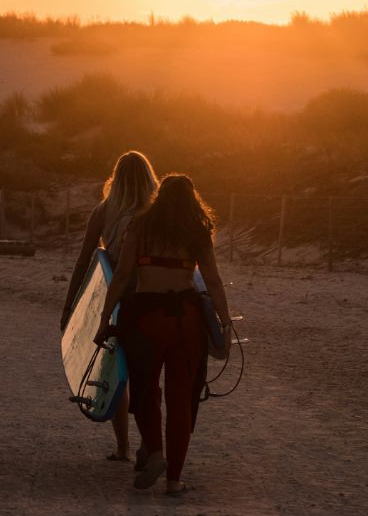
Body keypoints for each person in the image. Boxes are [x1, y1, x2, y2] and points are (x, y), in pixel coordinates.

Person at [96, 174, 232, 496]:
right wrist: (225, 321)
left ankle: (154, 451)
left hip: (146, 318)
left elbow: (124, 274)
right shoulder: (196, 231)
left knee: (145, 390)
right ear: (191, 199)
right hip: (186, 320)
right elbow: (212, 280)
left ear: (160, 198)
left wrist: (104, 316)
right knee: (181, 399)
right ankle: (174, 480)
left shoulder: (141, 227)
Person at [61, 150, 159, 463]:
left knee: (118, 375)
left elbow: (84, 261)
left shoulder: (104, 211)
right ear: (148, 178)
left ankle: (123, 448)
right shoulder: (155, 213)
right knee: (148, 377)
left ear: (116, 179)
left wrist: (69, 306)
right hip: (150, 299)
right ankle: (150, 445)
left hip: (115, 303)